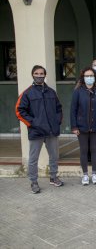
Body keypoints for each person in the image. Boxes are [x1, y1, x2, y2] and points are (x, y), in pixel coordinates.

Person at [15, 65, 64, 193]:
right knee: (33, 159)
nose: (39, 75)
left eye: (42, 73)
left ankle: (53, 177)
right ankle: (33, 182)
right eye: (36, 73)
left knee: (54, 156)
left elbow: (59, 109)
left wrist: (57, 121)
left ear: (45, 75)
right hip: (36, 131)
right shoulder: (27, 93)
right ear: (32, 75)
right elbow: (19, 111)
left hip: (52, 131)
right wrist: (33, 123)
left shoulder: (52, 92)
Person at [70, 67, 96, 185]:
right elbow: (73, 110)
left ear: (95, 78)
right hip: (81, 126)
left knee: (95, 150)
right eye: (87, 76)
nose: (89, 78)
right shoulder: (78, 91)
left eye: (91, 76)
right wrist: (74, 127)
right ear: (83, 78)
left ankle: (94, 174)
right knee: (84, 150)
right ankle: (85, 175)